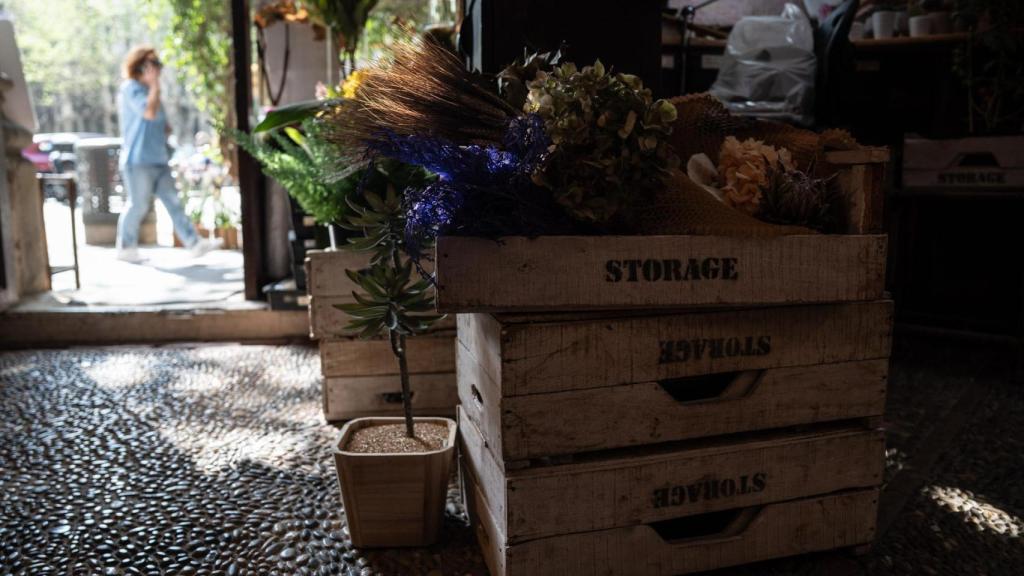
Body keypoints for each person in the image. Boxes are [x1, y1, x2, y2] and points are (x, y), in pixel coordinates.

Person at [116, 46, 218, 262]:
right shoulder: (131, 88)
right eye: (155, 65)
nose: (159, 70)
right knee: (138, 204)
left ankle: (194, 243)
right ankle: (125, 247)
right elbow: (149, 113)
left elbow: (160, 123)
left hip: (159, 158)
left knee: (173, 201)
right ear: (142, 66)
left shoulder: (152, 91)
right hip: (138, 160)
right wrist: (154, 85)